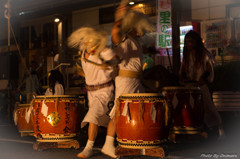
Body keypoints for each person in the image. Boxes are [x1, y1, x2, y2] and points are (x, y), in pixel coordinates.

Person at [101, 6, 156, 158]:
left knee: (138, 109)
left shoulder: (134, 41)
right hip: (126, 81)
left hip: (135, 81)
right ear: (134, 26)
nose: (143, 31)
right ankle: (107, 144)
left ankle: (136, 139)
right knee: (119, 111)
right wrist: (119, 18)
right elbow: (115, 32)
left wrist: (149, 51)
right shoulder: (123, 37)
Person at [68, 27, 120, 158]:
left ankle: (88, 148)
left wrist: (107, 63)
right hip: (91, 93)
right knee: (100, 119)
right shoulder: (84, 52)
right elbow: (89, 73)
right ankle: (108, 145)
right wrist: (80, 73)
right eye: (85, 41)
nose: (86, 43)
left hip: (104, 91)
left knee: (93, 117)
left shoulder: (103, 51)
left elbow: (116, 60)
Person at [179, 30, 225, 140]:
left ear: (196, 41)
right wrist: (183, 79)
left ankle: (220, 130)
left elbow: (209, 68)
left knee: (209, 108)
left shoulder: (204, 54)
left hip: (202, 86)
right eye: (187, 41)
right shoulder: (186, 56)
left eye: (191, 40)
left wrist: (202, 79)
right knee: (191, 109)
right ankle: (198, 132)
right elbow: (183, 71)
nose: (189, 43)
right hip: (190, 87)